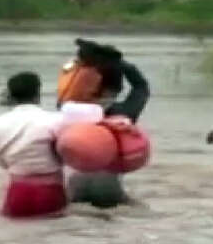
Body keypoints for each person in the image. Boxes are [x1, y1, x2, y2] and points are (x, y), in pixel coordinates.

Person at [61, 39, 150, 208]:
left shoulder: (68, 110)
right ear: (116, 89)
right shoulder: (123, 114)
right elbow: (141, 86)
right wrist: (118, 63)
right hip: (109, 188)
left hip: (73, 187)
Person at [0, 72, 67, 219]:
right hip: (50, 192)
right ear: (38, 94)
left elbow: (3, 163)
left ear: (10, 96)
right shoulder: (56, 120)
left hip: (16, 194)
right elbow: (69, 155)